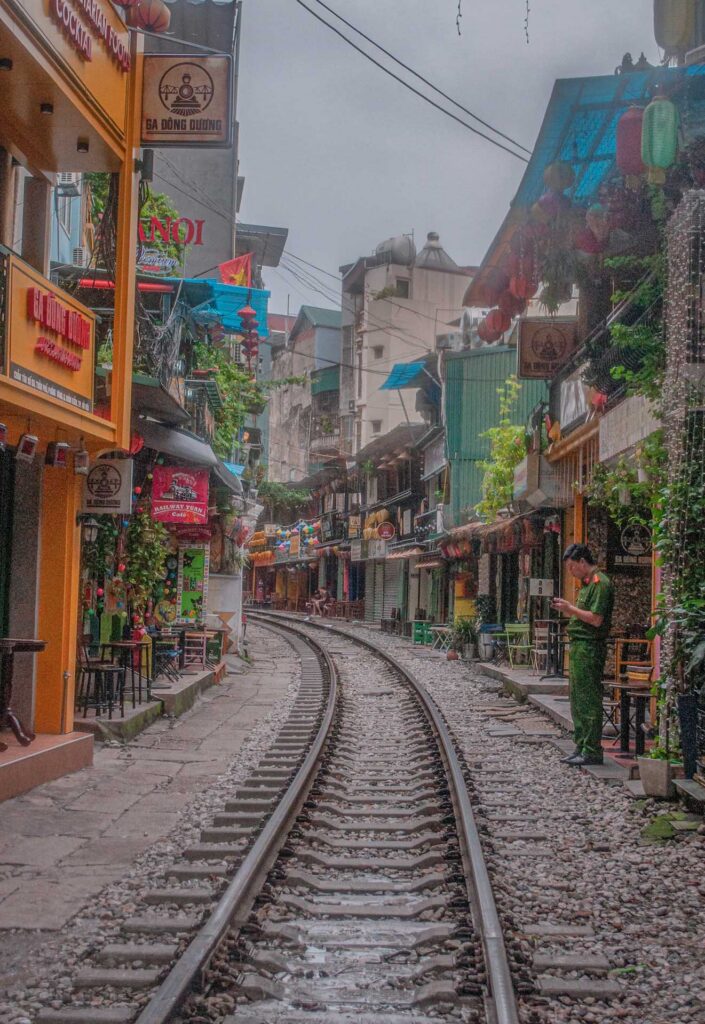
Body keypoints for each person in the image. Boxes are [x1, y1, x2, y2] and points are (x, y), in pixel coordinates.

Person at [551, 543, 614, 767]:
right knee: (577, 699)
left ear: (582, 562)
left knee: (588, 699)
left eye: (571, 567)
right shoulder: (587, 585)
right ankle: (581, 745)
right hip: (579, 647)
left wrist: (570, 609)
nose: (571, 572)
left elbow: (596, 619)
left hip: (590, 647)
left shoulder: (600, 584)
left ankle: (592, 750)